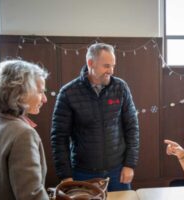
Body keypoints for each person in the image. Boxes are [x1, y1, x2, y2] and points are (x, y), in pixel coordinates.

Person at [51, 43, 139, 191]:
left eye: (112, 65)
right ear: (90, 63)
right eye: (106, 66)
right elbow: (59, 138)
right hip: (82, 173)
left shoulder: (121, 87)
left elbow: (132, 127)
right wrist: (65, 175)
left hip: (117, 172)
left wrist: (130, 164)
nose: (111, 71)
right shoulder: (68, 93)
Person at [0, 59, 49, 200]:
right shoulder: (23, 134)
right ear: (21, 93)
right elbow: (32, 196)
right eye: (40, 92)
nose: (45, 99)